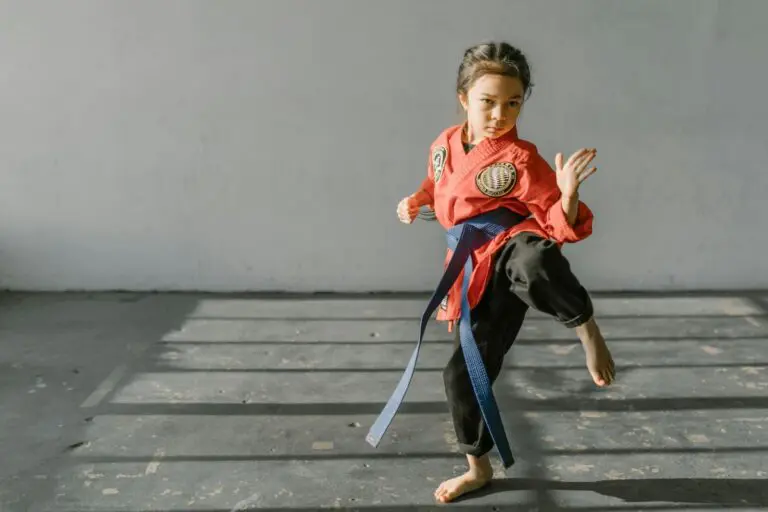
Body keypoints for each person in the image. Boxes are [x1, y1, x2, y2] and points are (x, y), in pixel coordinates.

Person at [395, 41, 616, 504]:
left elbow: (556, 219)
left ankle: (584, 326)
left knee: (534, 259)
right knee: (462, 375)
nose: (500, 114)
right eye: (488, 102)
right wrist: (415, 201)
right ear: (463, 98)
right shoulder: (444, 144)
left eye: (512, 103)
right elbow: (436, 185)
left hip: (512, 245)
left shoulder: (520, 158)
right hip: (474, 268)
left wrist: (569, 194)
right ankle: (478, 468)